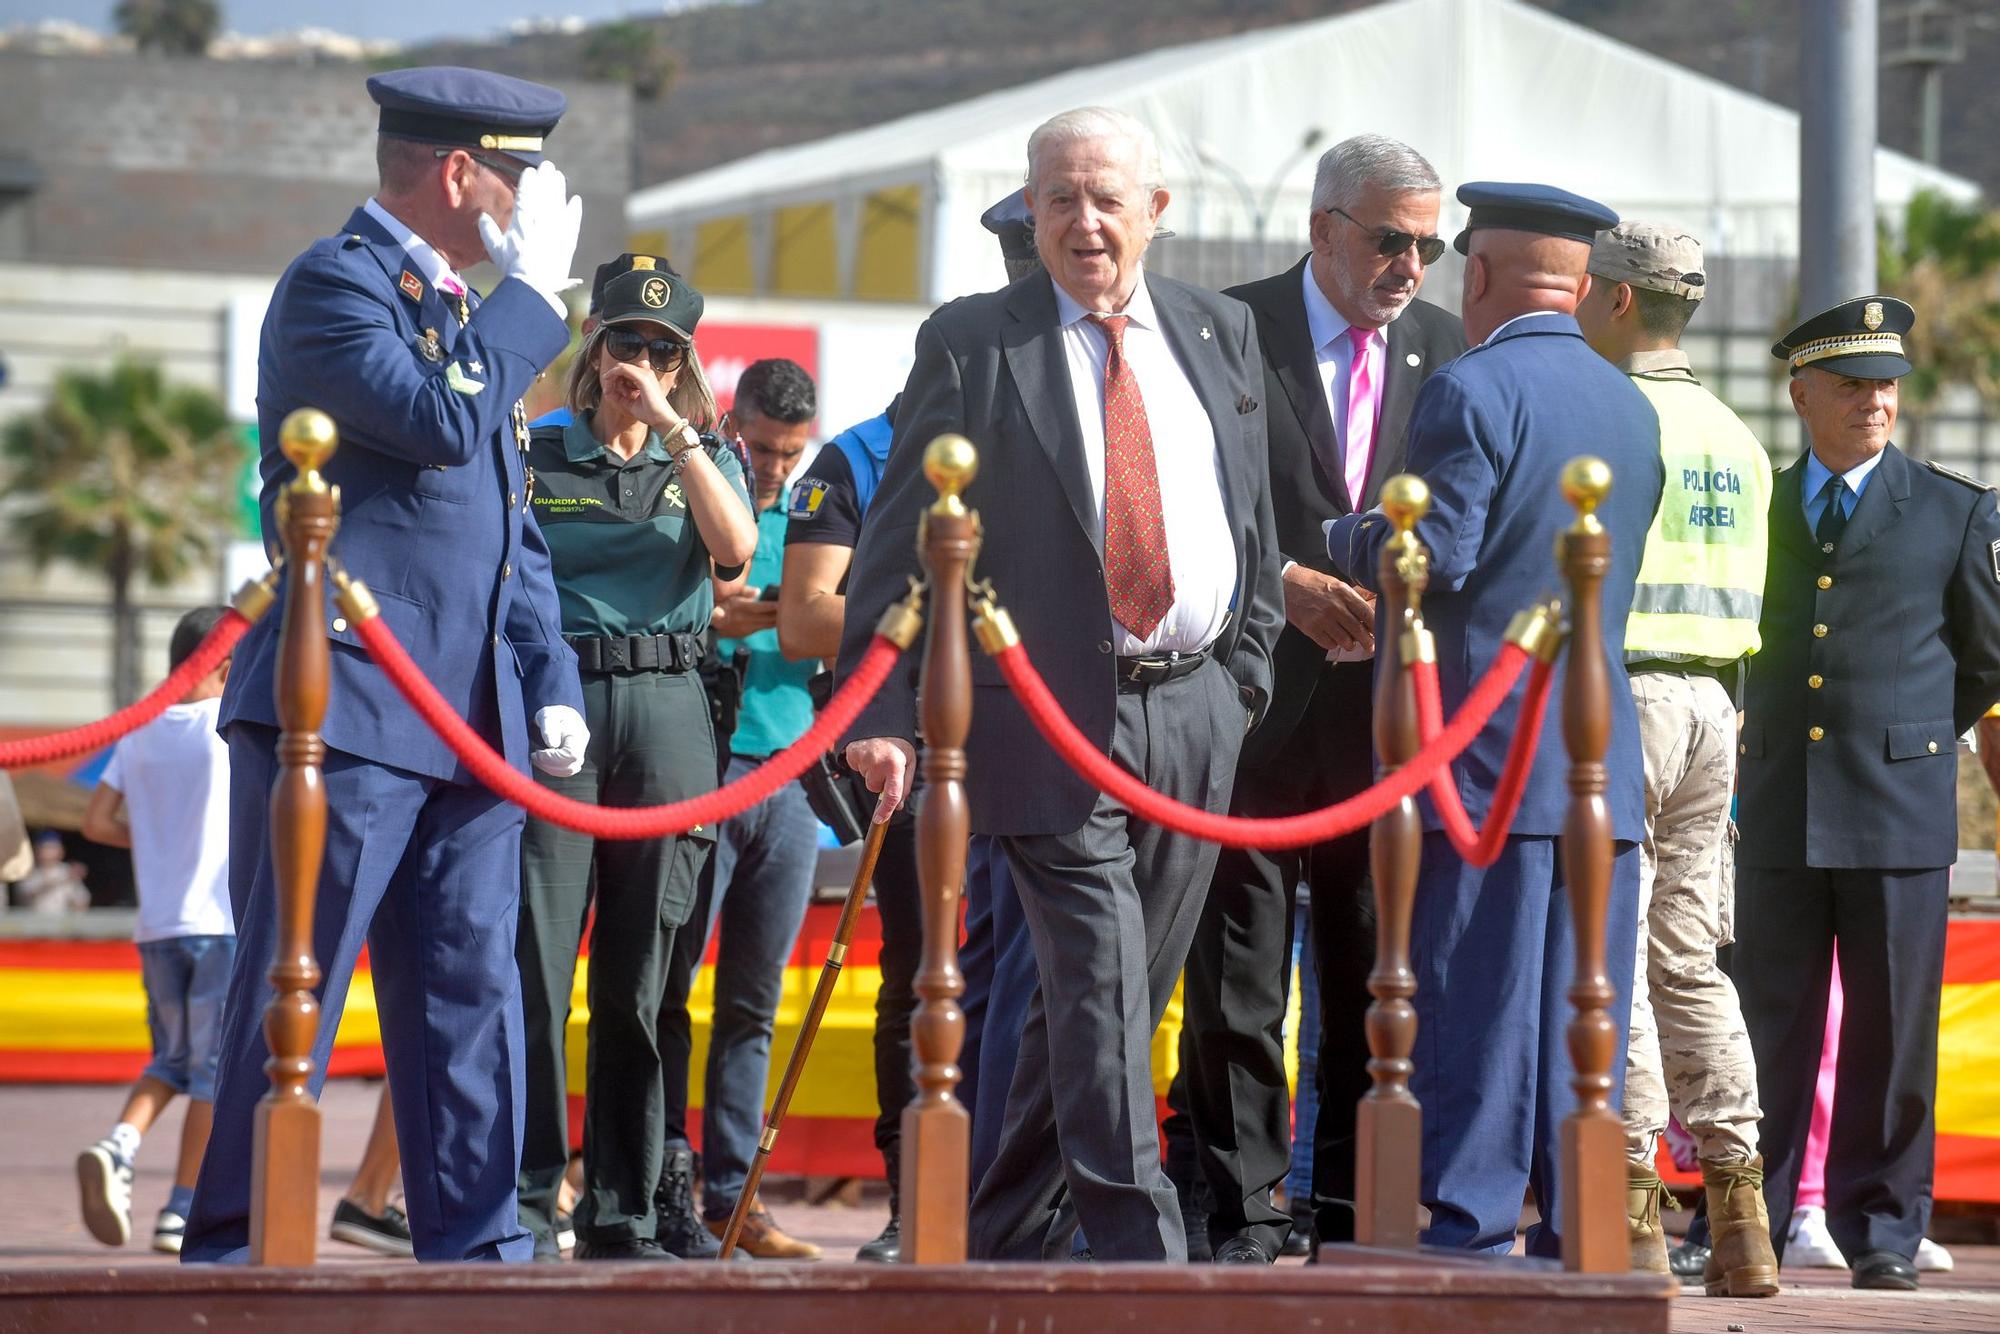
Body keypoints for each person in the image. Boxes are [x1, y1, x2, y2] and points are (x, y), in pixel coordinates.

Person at [839, 105, 1283, 1263]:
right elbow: (895, 545)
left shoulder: (1219, 330)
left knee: (1112, 997)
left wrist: (1239, 680)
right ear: (1029, 212)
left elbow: (1249, 515)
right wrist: (879, 712)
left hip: (1193, 711)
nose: (1083, 221)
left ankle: (990, 1230)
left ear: (1154, 212)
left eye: (1105, 198)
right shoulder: (975, 340)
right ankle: (1143, 1249)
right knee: (1092, 984)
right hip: (1043, 719)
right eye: (1058, 199)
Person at [188, 66, 587, 1265]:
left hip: (465, 718)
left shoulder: (472, 316)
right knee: (289, 998)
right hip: (348, 705)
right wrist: (524, 310)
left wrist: (548, 675)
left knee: (472, 1007)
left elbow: (506, 532)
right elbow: (435, 421)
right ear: (460, 173)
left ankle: (477, 1257)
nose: (525, 201)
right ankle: (237, 1247)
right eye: (513, 174)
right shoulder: (335, 285)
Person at [1324, 182, 1662, 1256]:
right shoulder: (1630, 404)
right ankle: (1581, 1224)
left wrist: (1343, 540)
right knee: (1583, 1011)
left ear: (1475, 275)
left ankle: (1467, 1222)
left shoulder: (1468, 391)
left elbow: (1435, 556)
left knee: (1478, 1000)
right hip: (1596, 757)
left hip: (1484, 754)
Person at [1178, 132, 1466, 1264]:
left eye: (1428, 245)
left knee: (1364, 976)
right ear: (1321, 229)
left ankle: (1345, 1211)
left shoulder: (1447, 349)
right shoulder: (1224, 327)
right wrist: (1279, 578)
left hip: (1380, 720)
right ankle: (1241, 1209)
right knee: (1235, 983)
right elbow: (1186, 504)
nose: (1409, 264)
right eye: (1389, 239)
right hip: (1249, 704)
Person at [776, 190, 1042, 1263]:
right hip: (921, 756)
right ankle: (913, 1198)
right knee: (925, 975)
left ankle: (1025, 1201)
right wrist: (951, 617)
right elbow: (803, 614)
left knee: (1052, 973)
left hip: (1045, 744)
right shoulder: (863, 450)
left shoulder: (1060, 423)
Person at [1732, 295, 2000, 1292]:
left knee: (1892, 1036)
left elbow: (1985, 658)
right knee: (1764, 1029)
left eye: (1884, 383)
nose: (1872, 402)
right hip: (1776, 804)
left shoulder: (1951, 509)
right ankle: (1745, 1217)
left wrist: (1913, 731)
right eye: (1849, 385)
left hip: (1894, 811)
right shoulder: (1755, 504)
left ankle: (1882, 1225)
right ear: (1799, 389)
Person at [515, 257, 757, 1263]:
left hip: (666, 704)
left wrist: (672, 427)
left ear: (685, 363)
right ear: (592, 346)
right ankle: (525, 1205)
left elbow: (736, 548)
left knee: (640, 973)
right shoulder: (536, 452)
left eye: (661, 349)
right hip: (560, 706)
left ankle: (620, 1208)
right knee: (536, 961)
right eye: (623, 341)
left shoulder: (701, 450)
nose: (638, 362)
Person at [1573, 220, 1778, 1295]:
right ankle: (1741, 1208)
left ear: (1613, 300)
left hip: (1629, 698)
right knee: (1689, 957)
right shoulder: (1736, 437)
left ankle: (1635, 1198)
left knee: (1619, 952)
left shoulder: (1612, 417)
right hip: (1714, 706)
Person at [651, 357, 822, 1261]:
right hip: (703, 771)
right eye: (759, 450)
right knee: (668, 987)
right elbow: (709, 610)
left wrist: (763, 612)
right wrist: (781, 611)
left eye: (788, 456)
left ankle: (732, 1197)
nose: (772, 471)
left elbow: (817, 618)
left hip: (789, 781)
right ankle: (657, 1180)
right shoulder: (698, 485)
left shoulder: (815, 506)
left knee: (753, 1004)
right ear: (733, 423)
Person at [75, 605, 234, 1255]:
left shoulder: (139, 730)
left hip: (159, 925)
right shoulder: (228, 726)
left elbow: (96, 821)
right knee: (213, 1074)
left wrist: (161, 841)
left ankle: (120, 1144)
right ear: (226, 666)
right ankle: (182, 1207)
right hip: (220, 921)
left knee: (172, 1060)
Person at [12, 832, 88, 913]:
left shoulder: (68, 871)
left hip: (62, 922)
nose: (48, 852)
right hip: (34, 922)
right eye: (45, 848)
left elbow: (82, 900)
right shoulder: (28, 872)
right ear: (36, 850)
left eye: (52, 848)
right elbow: (24, 897)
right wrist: (55, 882)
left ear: (61, 851)